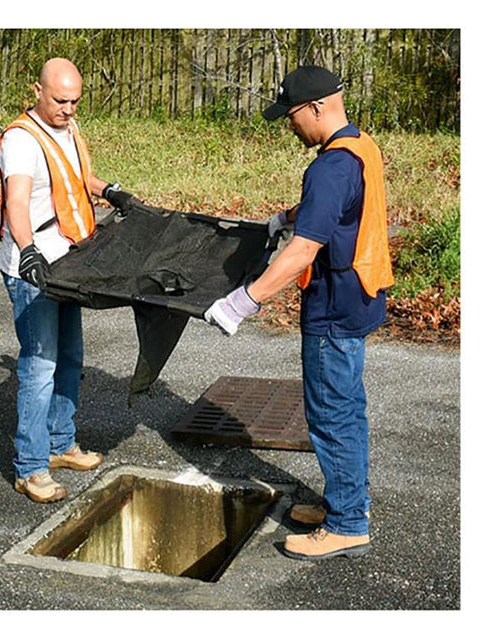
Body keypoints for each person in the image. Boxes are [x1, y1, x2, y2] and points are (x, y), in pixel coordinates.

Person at [205, 65, 394, 560]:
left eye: (291, 116)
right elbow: (335, 209)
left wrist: (241, 303)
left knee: (333, 416)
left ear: (316, 107)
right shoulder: (359, 147)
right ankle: (346, 504)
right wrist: (286, 216)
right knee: (346, 410)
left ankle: (348, 524)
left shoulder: (330, 166)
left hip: (333, 310)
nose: (290, 126)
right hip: (360, 298)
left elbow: (301, 253)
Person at [0, 58, 135, 503]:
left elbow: (76, 179)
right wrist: (29, 252)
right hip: (33, 266)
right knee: (40, 366)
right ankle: (30, 467)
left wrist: (109, 189)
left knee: (71, 358)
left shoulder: (69, 130)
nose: (69, 109)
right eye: (60, 100)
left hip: (69, 260)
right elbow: (18, 201)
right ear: (37, 90)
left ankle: (60, 445)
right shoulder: (20, 141)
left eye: (75, 101)